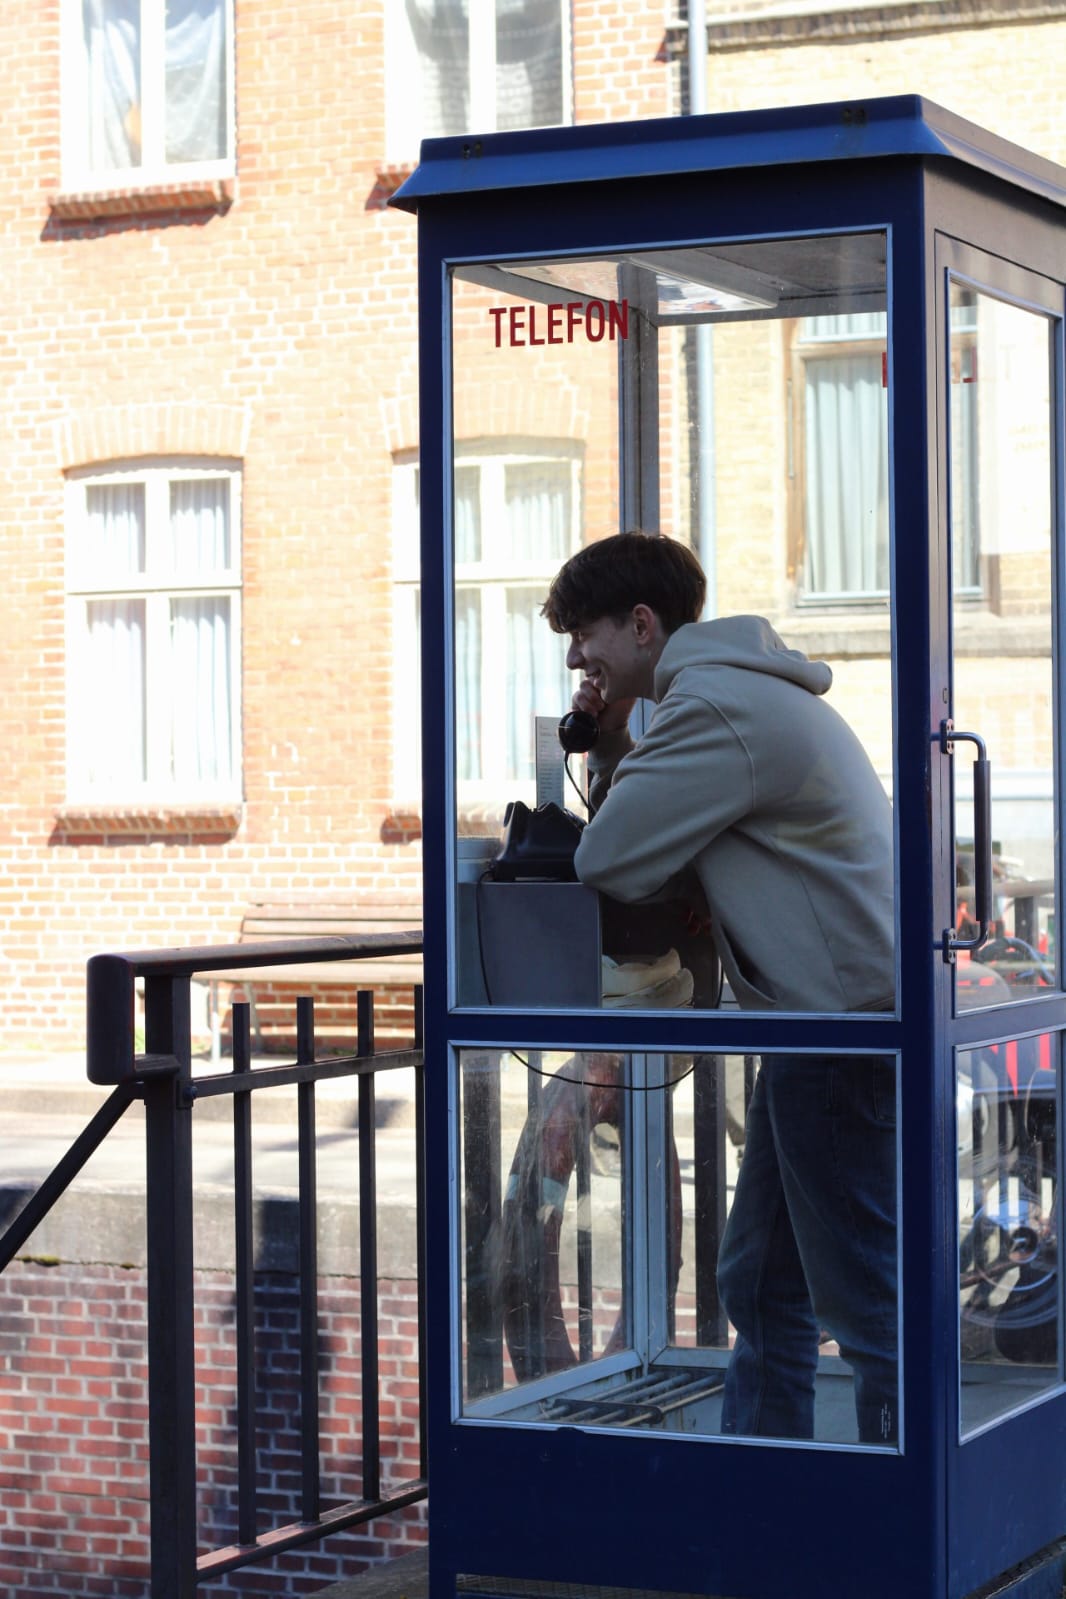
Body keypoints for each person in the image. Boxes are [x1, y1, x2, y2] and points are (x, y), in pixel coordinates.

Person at [540, 529, 898, 1445]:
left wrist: (606, 738)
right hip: (823, 1026)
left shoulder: (711, 708)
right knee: (762, 1280)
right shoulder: (733, 692)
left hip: (837, 1033)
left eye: (583, 634)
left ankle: (901, 1504)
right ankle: (767, 1477)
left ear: (642, 624)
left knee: (866, 1300)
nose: (576, 659)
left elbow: (609, 856)